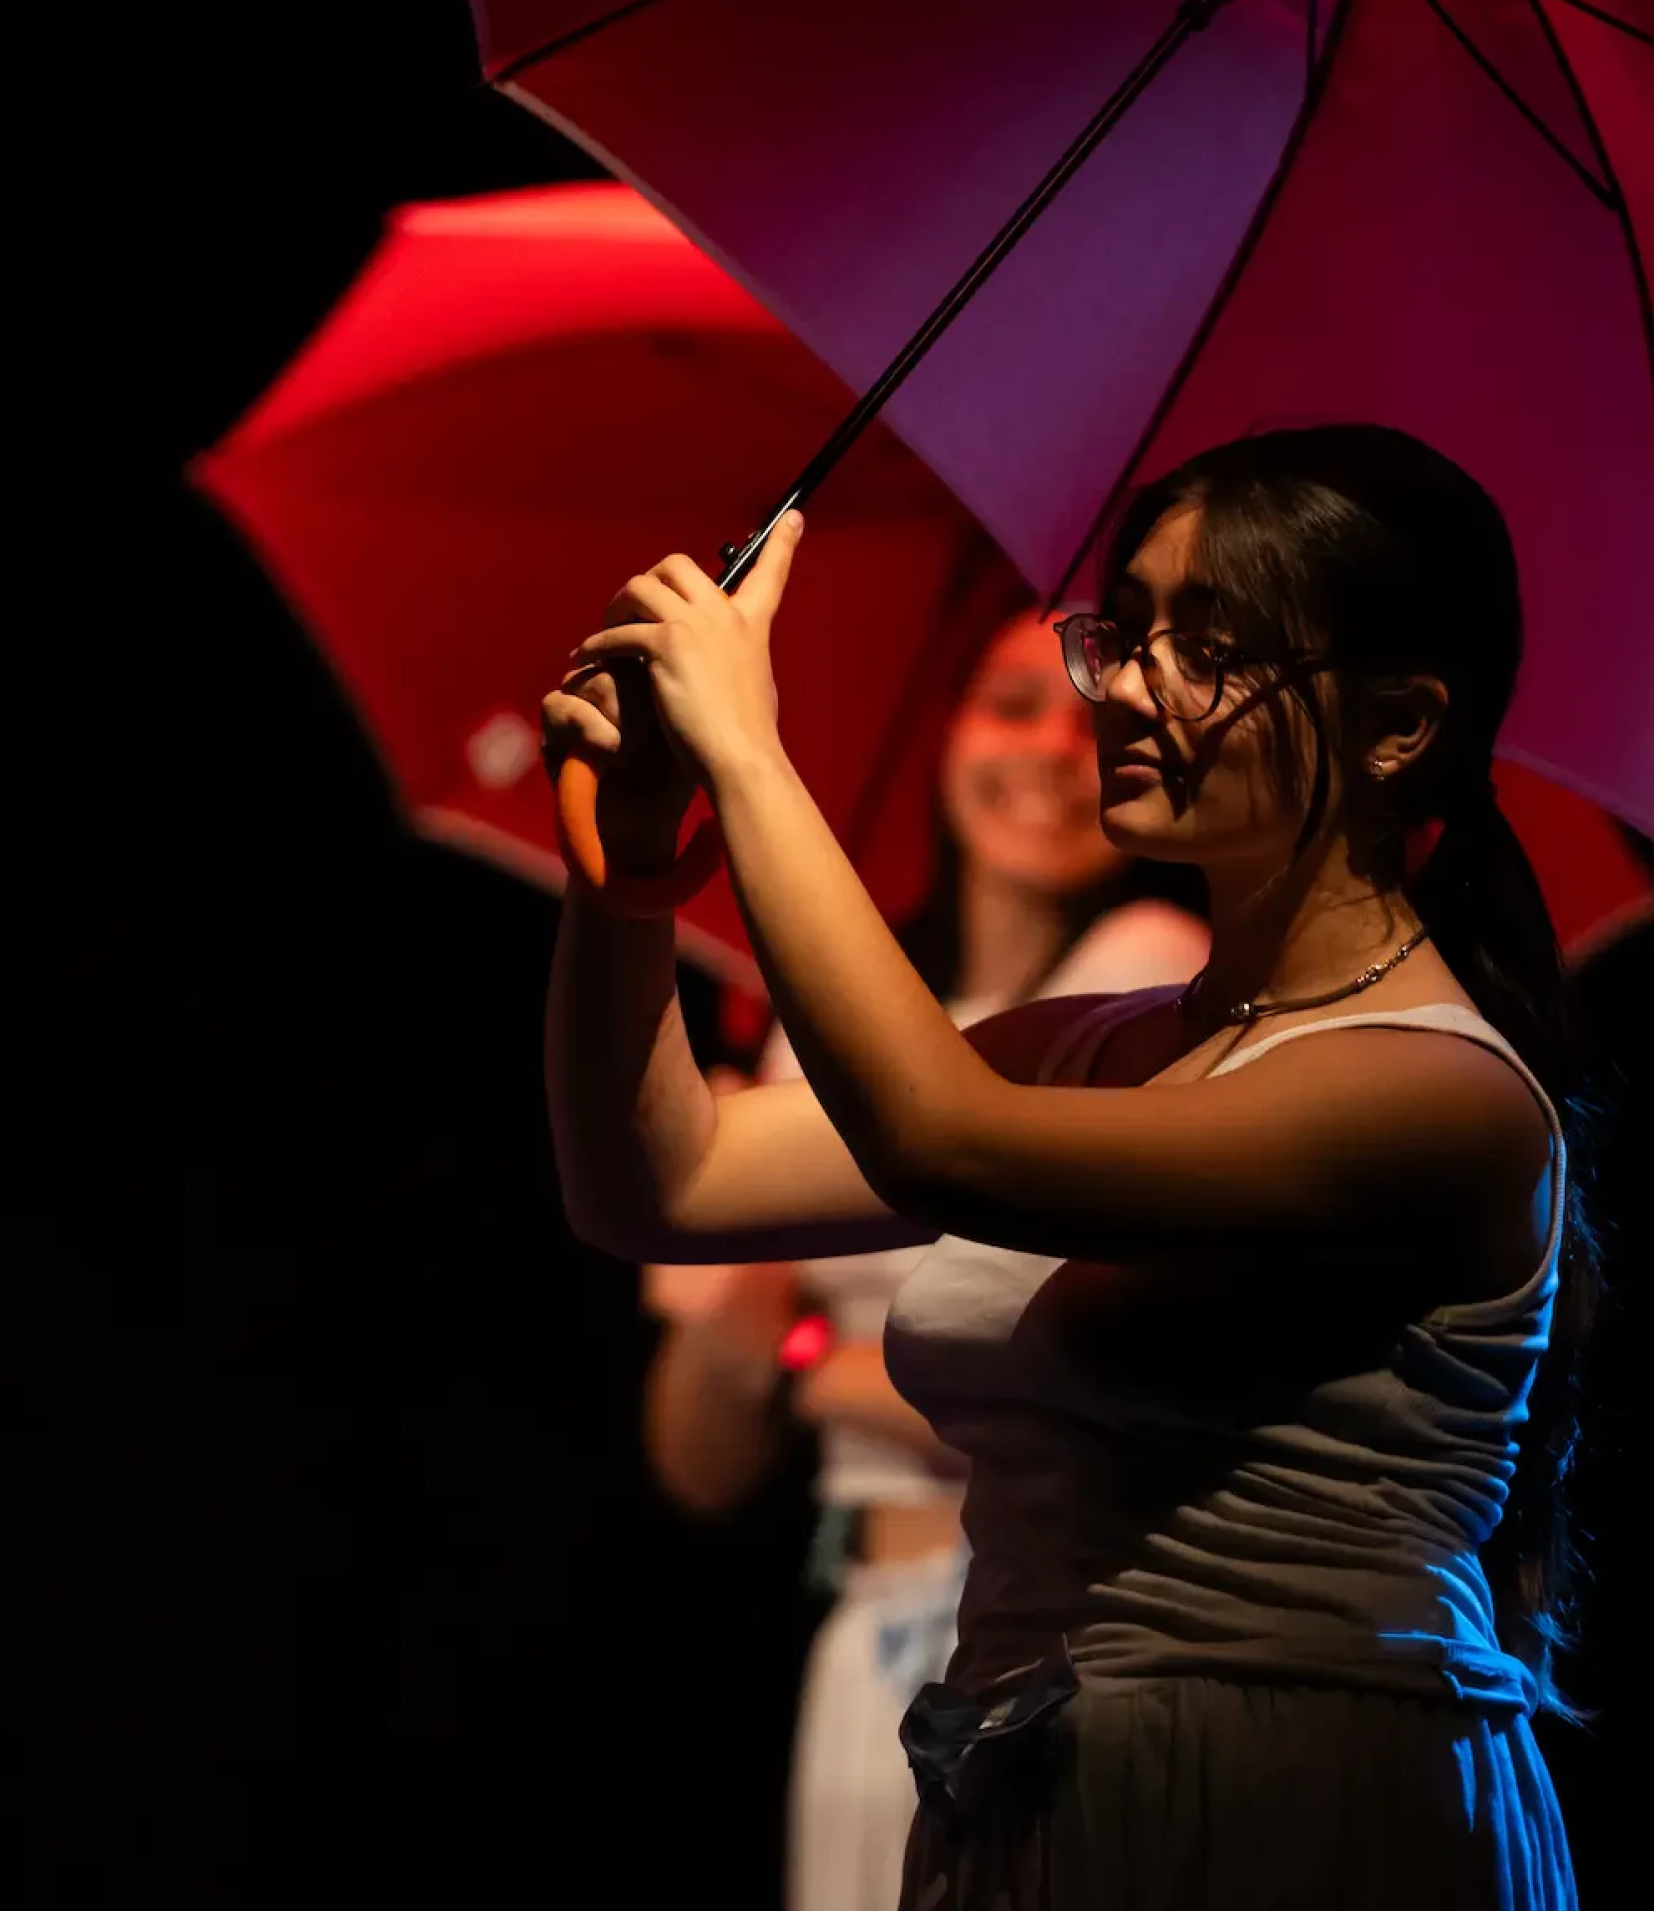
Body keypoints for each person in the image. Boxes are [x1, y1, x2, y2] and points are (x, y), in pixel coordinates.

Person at [542, 424, 1591, 1908]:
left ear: (1400, 726)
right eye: (1132, 630)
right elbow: (660, 1182)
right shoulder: (1099, 1041)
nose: (1129, 689)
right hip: (1030, 1784)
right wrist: (633, 861)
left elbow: (941, 1142)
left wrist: (746, 749)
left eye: (1210, 649)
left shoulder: (1437, 1094)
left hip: (1292, 1802)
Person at [639, 614, 1207, 1911]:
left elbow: (1066, 1402)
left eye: (1097, 715)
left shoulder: (1150, 984)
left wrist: (798, 1352)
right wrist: (731, 1316)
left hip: (1045, 1630)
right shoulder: (821, 1025)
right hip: (866, 1623)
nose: (1054, 748)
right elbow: (696, 1462)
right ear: (947, 730)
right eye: (1013, 704)